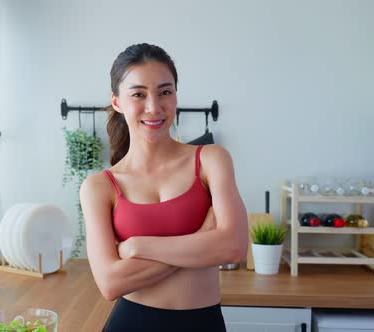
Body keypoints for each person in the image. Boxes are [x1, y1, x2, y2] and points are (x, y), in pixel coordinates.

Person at [80, 43, 248, 332]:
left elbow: (233, 248)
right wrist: (202, 239)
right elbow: (110, 283)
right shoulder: (99, 186)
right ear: (117, 101)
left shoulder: (210, 159)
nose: (154, 107)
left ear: (175, 95)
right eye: (138, 94)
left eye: (165, 92)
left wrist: (138, 247)